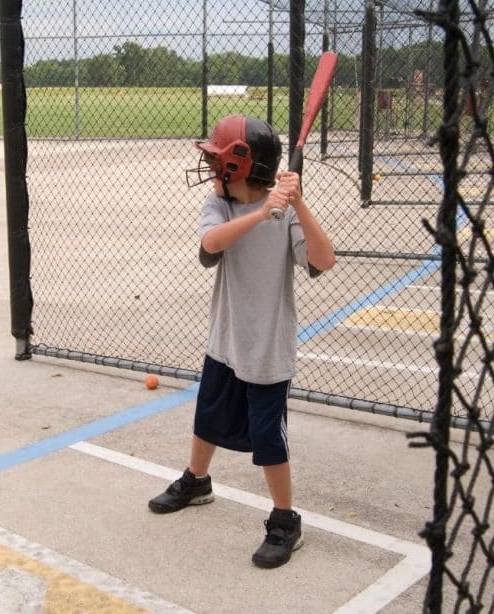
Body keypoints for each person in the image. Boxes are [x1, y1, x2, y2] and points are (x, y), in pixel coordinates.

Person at [148, 114, 336, 569]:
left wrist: (298, 204)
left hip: (267, 349)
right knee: (208, 417)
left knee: (268, 438)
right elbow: (211, 246)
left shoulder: (286, 212)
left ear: (241, 167)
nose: (212, 170)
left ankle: (285, 520)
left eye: (219, 162)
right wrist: (260, 212)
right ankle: (197, 481)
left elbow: (324, 260)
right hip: (226, 337)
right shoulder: (220, 206)